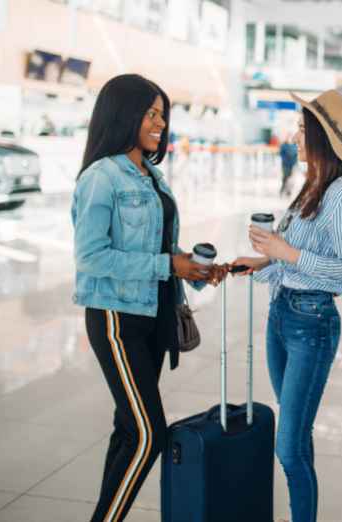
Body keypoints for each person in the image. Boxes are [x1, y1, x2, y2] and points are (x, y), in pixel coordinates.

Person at [71, 74, 227, 522]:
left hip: (152, 315)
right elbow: (91, 257)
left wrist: (192, 269)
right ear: (123, 114)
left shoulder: (151, 174)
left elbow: (155, 248)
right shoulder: (101, 177)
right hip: (117, 319)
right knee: (147, 434)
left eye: (162, 113)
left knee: (128, 429)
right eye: (151, 112)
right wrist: (168, 265)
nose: (160, 122)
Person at [232, 89, 342, 522]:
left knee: (289, 447)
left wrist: (284, 252)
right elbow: (293, 264)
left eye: (302, 129)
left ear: (323, 139)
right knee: (296, 436)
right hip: (283, 315)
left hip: (311, 324)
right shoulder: (312, 187)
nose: (294, 137)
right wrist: (259, 263)